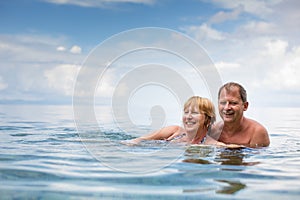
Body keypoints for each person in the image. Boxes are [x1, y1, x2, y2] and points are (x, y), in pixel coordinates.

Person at [126, 96, 239, 147]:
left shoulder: (210, 144)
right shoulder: (173, 131)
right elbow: (141, 139)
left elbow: (231, 148)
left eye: (194, 113)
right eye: (186, 112)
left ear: (207, 119)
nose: (188, 117)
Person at [209, 82, 270, 147]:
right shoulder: (212, 131)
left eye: (233, 103)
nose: (227, 108)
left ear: (245, 106)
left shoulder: (256, 132)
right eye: (223, 103)